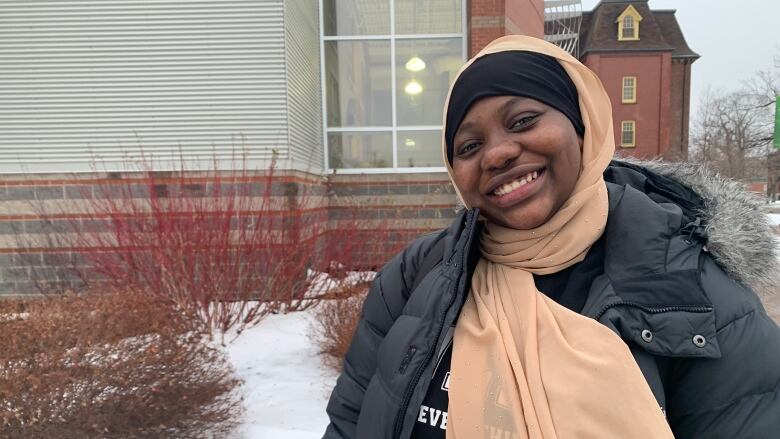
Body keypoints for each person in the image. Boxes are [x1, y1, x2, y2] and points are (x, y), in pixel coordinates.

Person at [323, 35, 780, 439]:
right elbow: (351, 420)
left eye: (522, 120)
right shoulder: (414, 275)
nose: (498, 153)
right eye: (469, 146)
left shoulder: (698, 294)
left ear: (583, 126)